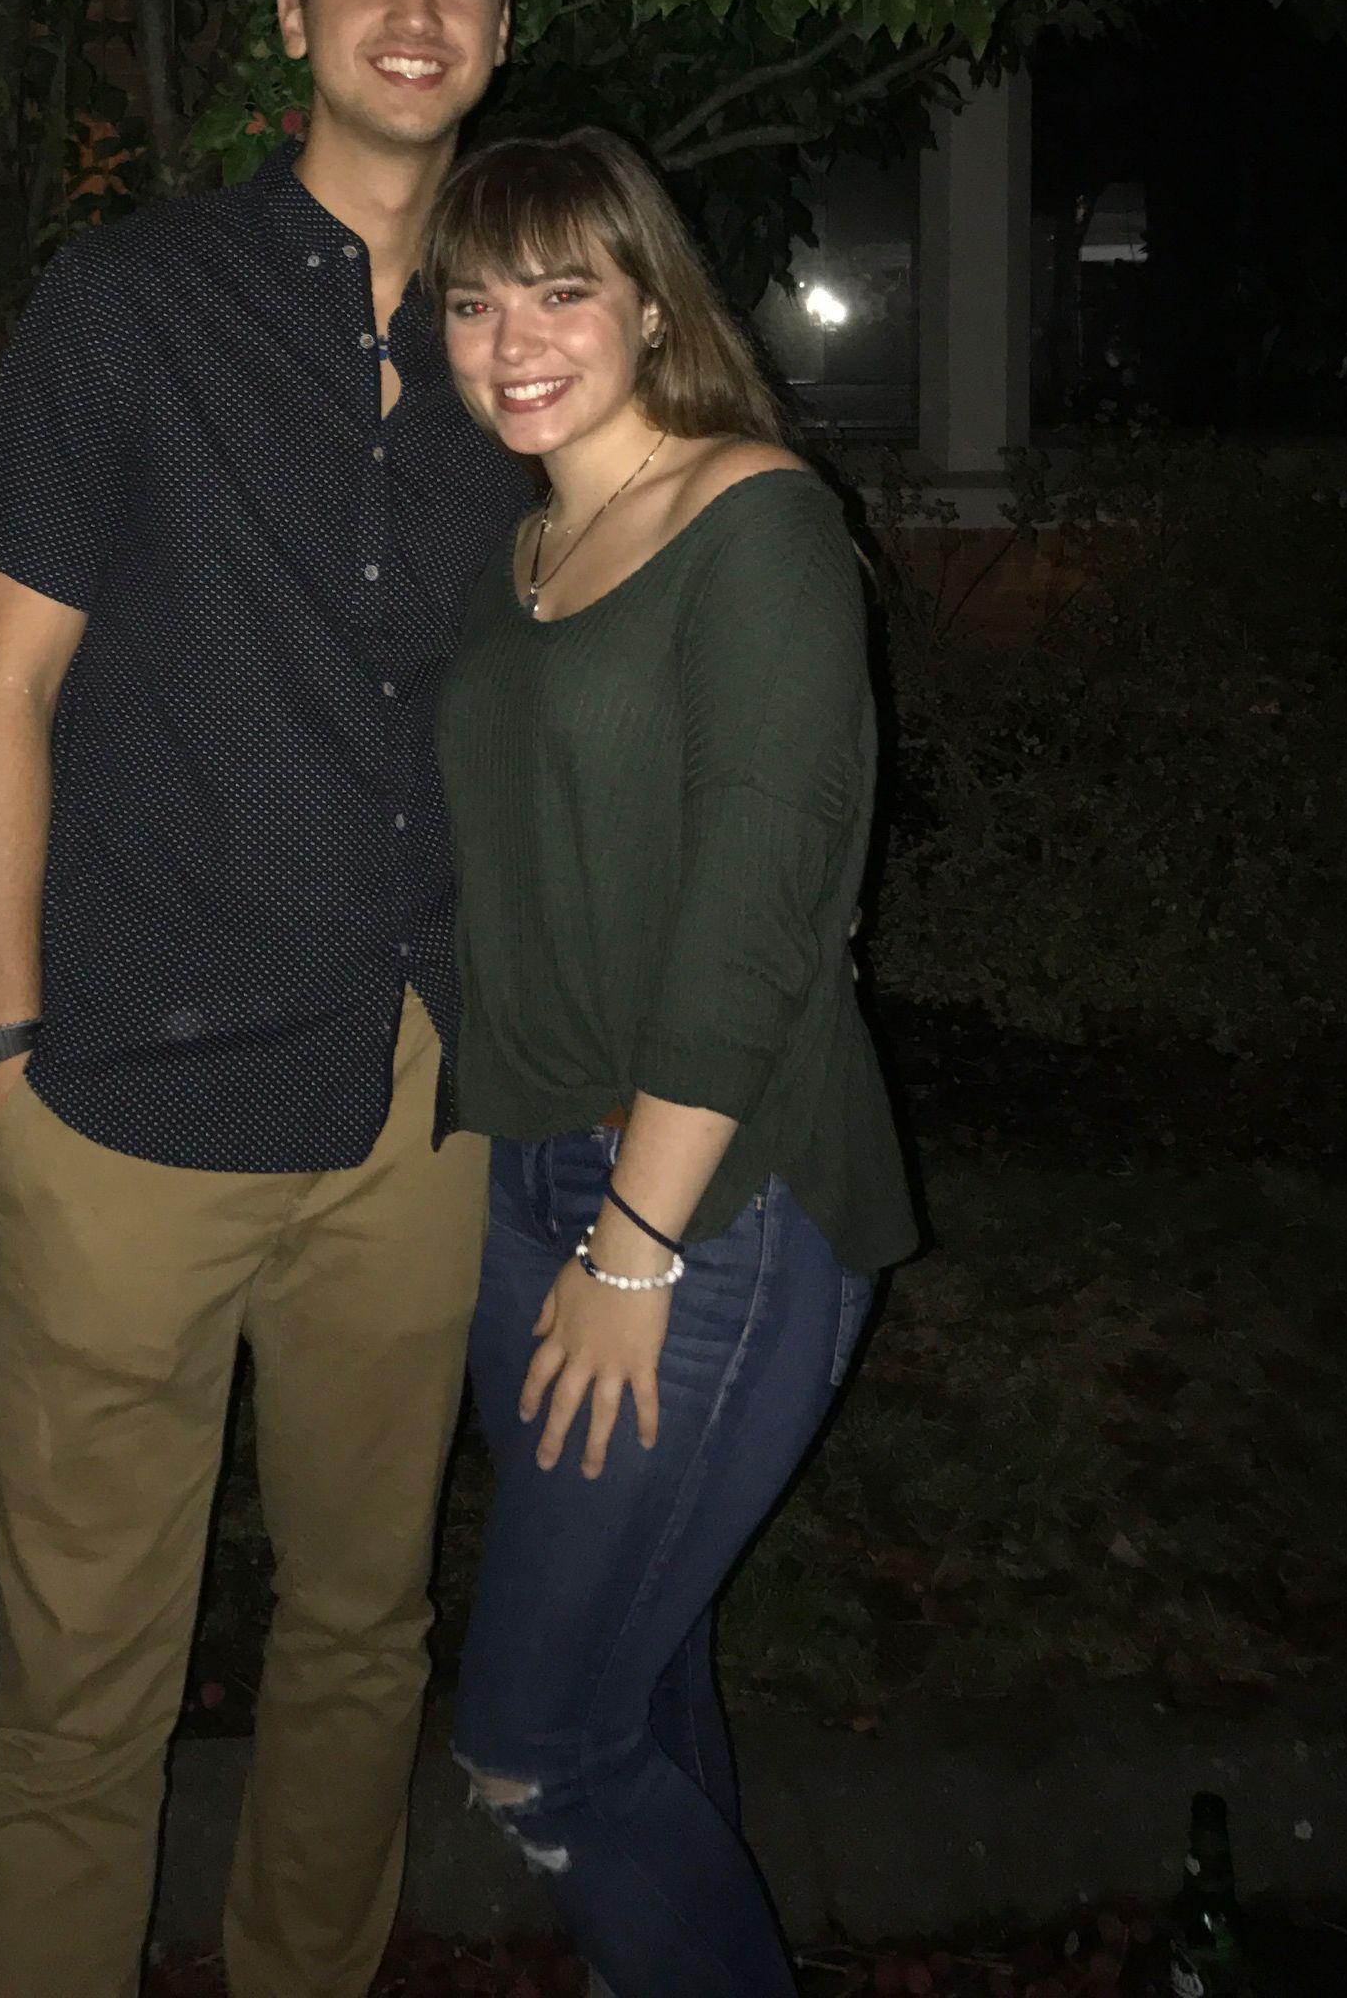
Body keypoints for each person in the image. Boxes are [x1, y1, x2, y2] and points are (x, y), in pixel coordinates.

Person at [0, 0, 541, 1998]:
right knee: (84, 1688)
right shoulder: (130, 307)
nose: (413, 9)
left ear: (504, 26)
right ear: (293, 17)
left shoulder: (530, 345)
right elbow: (3, 690)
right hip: (122, 1105)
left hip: (411, 1108)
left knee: (364, 1634)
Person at [424, 126, 922, 1998]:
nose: (514, 340)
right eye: (473, 303)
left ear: (651, 303)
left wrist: (634, 1246)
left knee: (539, 1742)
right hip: (532, 1179)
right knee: (638, 1680)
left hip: (713, 1202)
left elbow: (754, 920)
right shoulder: (520, 558)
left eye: (562, 291)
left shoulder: (754, 522)